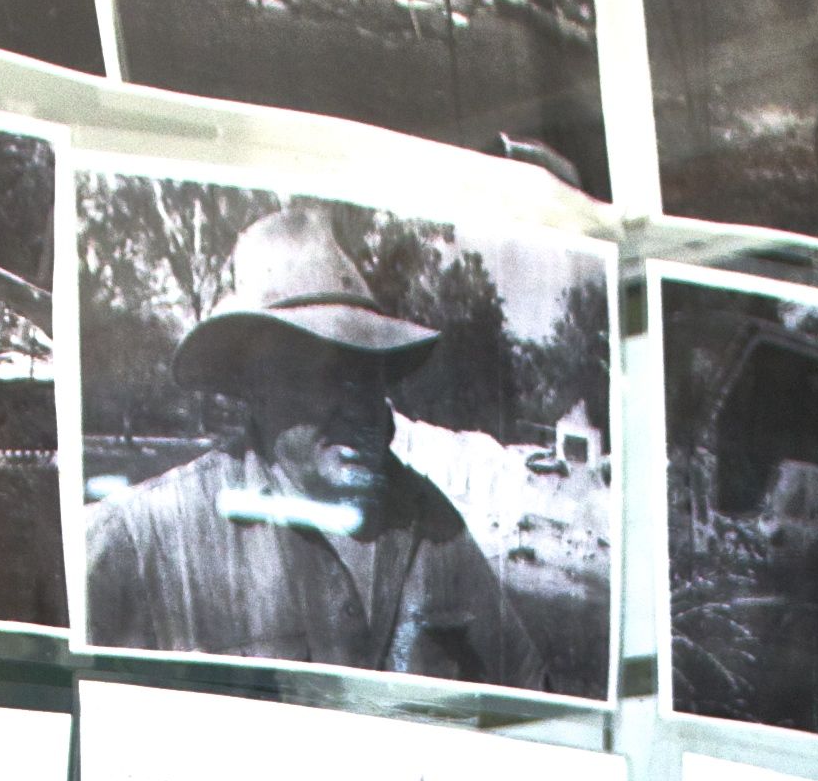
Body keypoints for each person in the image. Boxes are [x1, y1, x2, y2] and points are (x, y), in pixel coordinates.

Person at [85, 202, 518, 682]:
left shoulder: (434, 529)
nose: (361, 406)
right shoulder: (144, 540)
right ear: (255, 386)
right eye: (326, 376)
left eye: (370, 375)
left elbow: (528, 697)